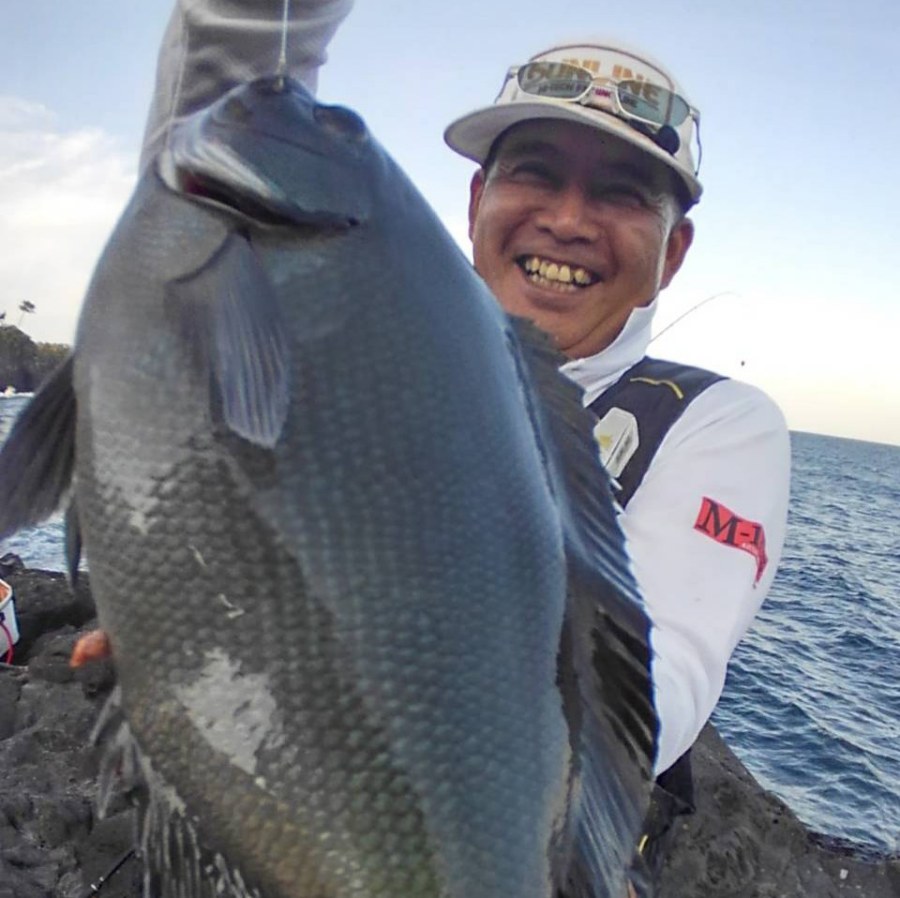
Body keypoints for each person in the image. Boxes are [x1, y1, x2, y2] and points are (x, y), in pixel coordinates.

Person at [130, 1, 791, 892]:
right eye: (535, 173)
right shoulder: (360, 332)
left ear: (673, 252)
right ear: (478, 200)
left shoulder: (718, 422)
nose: (566, 219)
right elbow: (211, 179)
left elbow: (662, 680)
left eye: (621, 194)